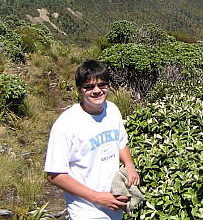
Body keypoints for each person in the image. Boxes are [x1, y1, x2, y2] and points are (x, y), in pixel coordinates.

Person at [44, 59, 140, 220]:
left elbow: (121, 142)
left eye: (102, 85)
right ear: (80, 90)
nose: (97, 90)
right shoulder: (66, 124)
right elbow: (55, 174)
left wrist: (130, 166)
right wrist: (97, 197)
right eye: (89, 87)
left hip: (114, 206)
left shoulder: (112, 110)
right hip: (86, 211)